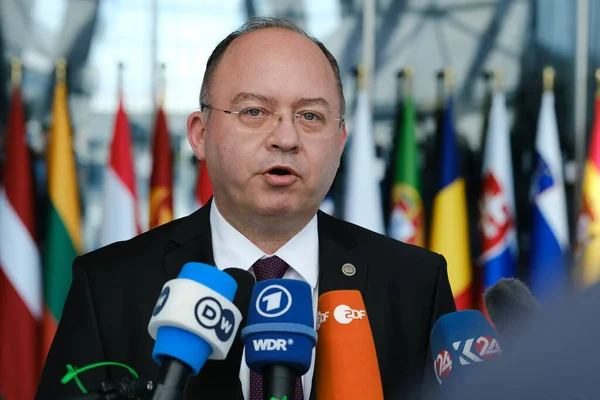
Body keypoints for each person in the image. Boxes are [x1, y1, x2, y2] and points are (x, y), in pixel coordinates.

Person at [36, 17, 455, 400]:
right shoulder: (109, 285)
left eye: (310, 115)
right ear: (200, 135)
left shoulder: (414, 282)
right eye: (255, 111)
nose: (286, 138)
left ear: (341, 144)